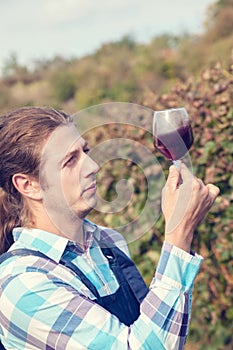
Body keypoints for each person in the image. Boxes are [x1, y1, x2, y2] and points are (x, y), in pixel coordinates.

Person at [0, 107, 219, 350]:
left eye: (85, 151)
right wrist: (179, 234)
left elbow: (153, 329)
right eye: (70, 160)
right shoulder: (23, 284)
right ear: (28, 185)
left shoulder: (108, 243)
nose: (93, 166)